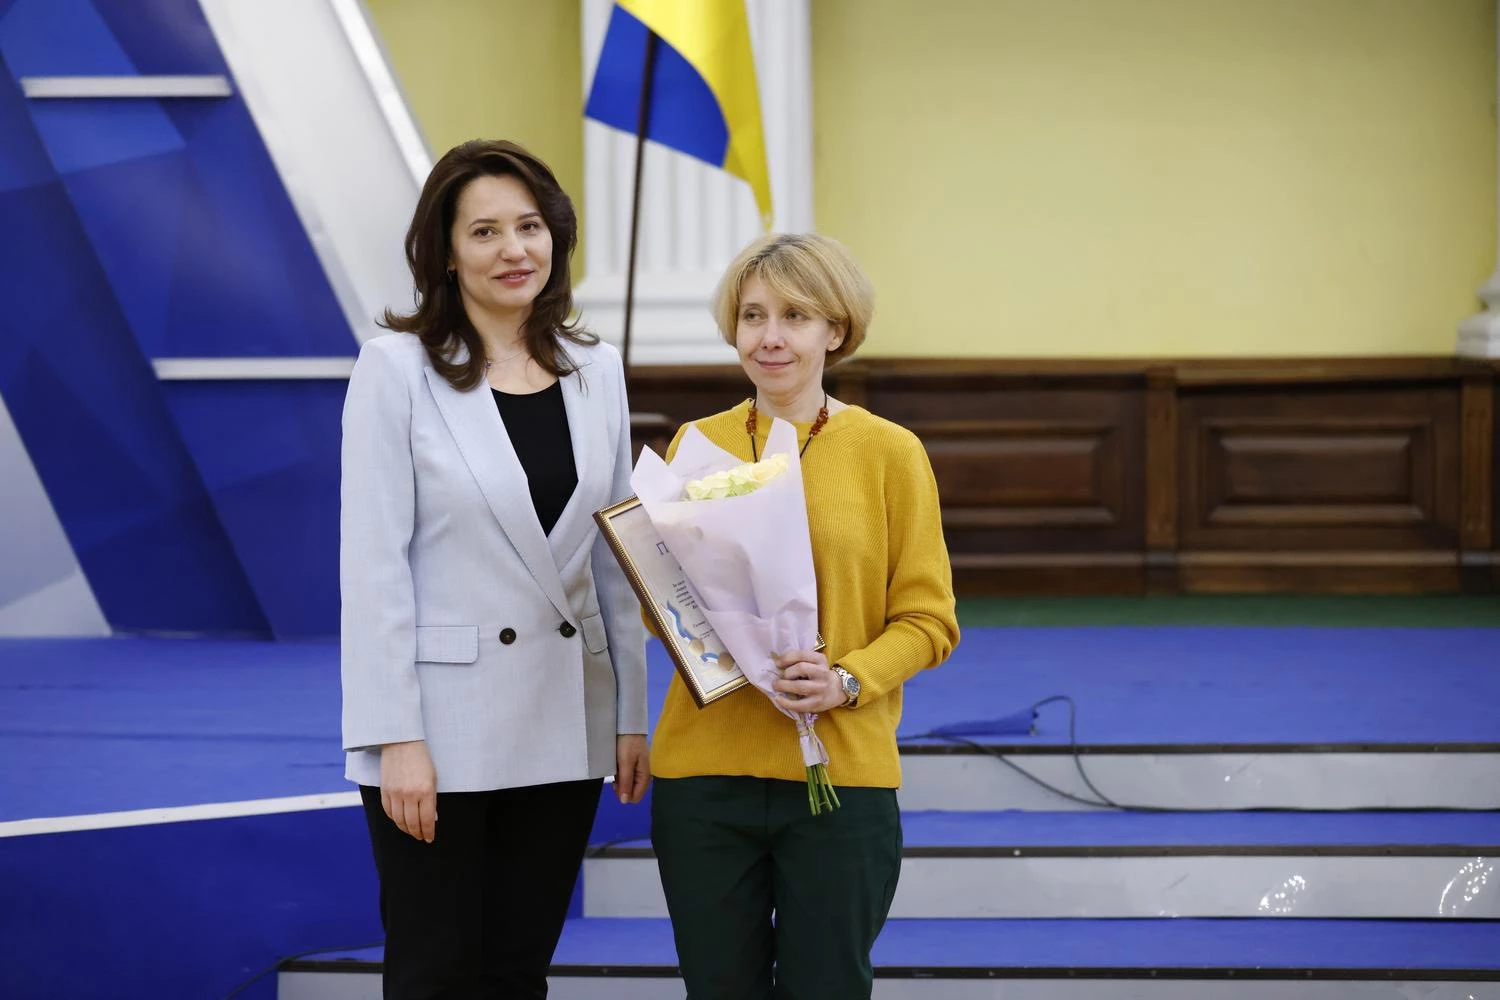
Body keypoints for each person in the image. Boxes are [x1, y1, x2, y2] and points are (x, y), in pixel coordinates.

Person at [339, 139, 649, 1000]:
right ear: (444, 251)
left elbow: (615, 554)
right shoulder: (394, 369)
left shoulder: (597, 369)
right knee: (434, 975)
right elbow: (372, 569)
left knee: (518, 973)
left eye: (530, 226)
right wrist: (394, 738)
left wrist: (630, 713)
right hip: (440, 731)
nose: (515, 249)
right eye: (485, 231)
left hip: (566, 714)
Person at [649, 233, 960, 999]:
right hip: (704, 776)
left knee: (828, 987)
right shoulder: (699, 444)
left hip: (840, 775)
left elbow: (929, 620)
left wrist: (846, 680)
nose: (770, 337)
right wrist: (659, 590)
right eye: (753, 315)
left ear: (836, 329)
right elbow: (669, 610)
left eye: (795, 316)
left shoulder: (890, 452)